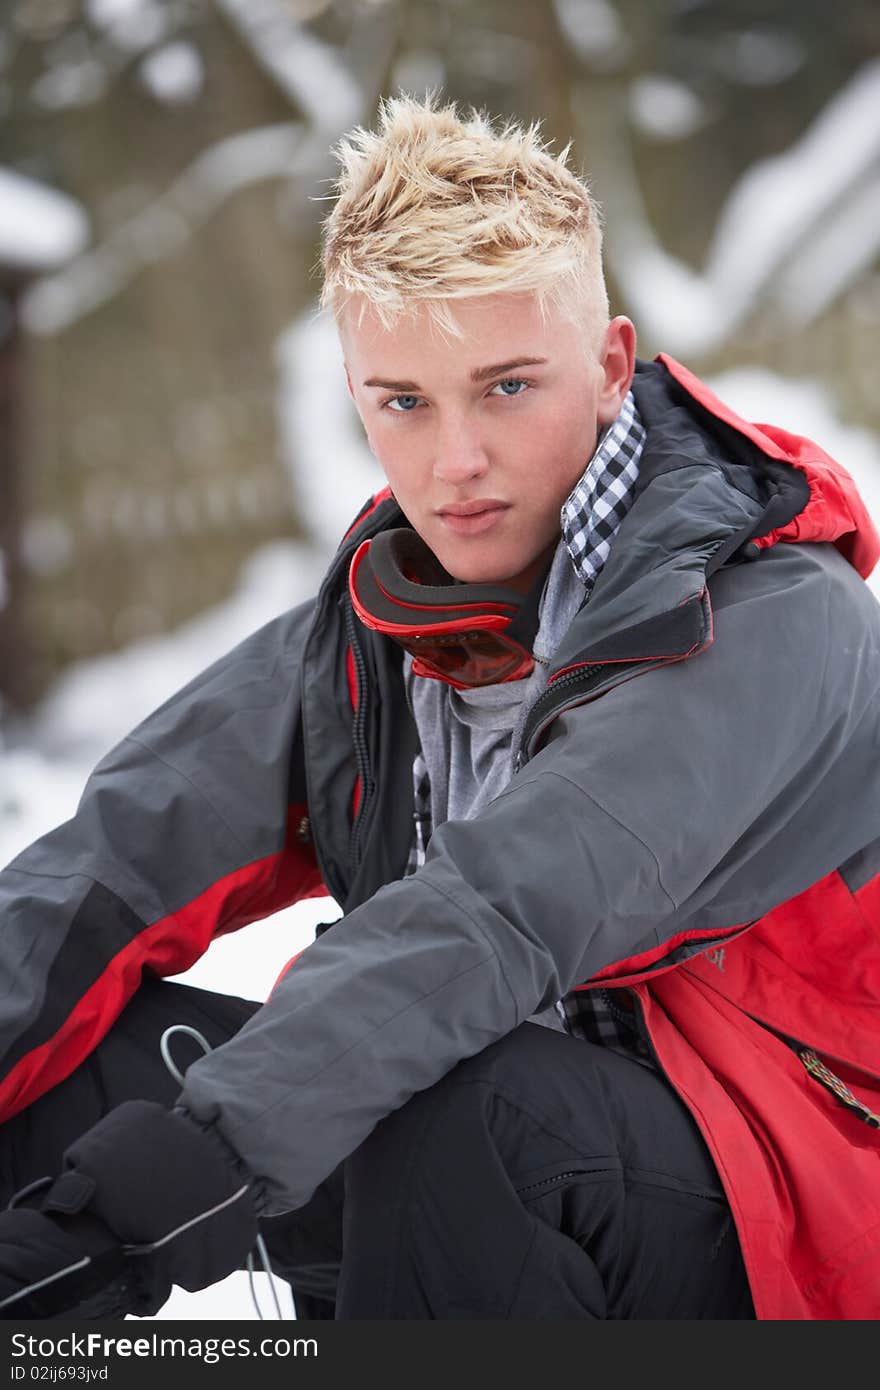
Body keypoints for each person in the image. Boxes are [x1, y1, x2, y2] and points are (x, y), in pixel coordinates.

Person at [0, 93, 879, 1323]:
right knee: (76, 1089)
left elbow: (504, 907)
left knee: (461, 1099)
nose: (452, 460)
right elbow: (118, 857)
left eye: (506, 387)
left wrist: (156, 1198)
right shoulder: (380, 622)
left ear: (611, 363)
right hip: (484, 1153)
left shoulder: (775, 614)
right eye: (402, 401)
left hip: (787, 1205)